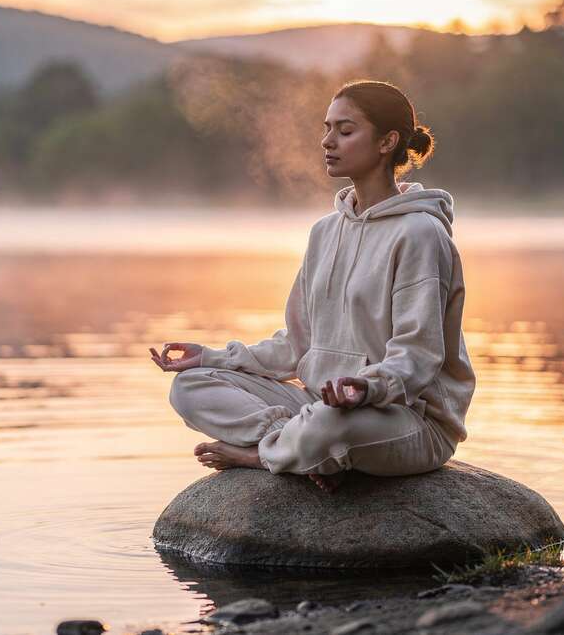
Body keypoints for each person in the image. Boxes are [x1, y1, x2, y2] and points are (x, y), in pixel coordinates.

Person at [149, 79, 476, 494]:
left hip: (406, 419)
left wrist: (364, 387)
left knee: (325, 425)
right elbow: (296, 347)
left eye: (345, 130)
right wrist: (211, 357)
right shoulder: (325, 232)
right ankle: (300, 450)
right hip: (326, 408)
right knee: (191, 386)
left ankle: (264, 455)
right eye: (326, 128)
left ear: (386, 141)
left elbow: (419, 355)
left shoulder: (421, 233)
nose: (327, 141)